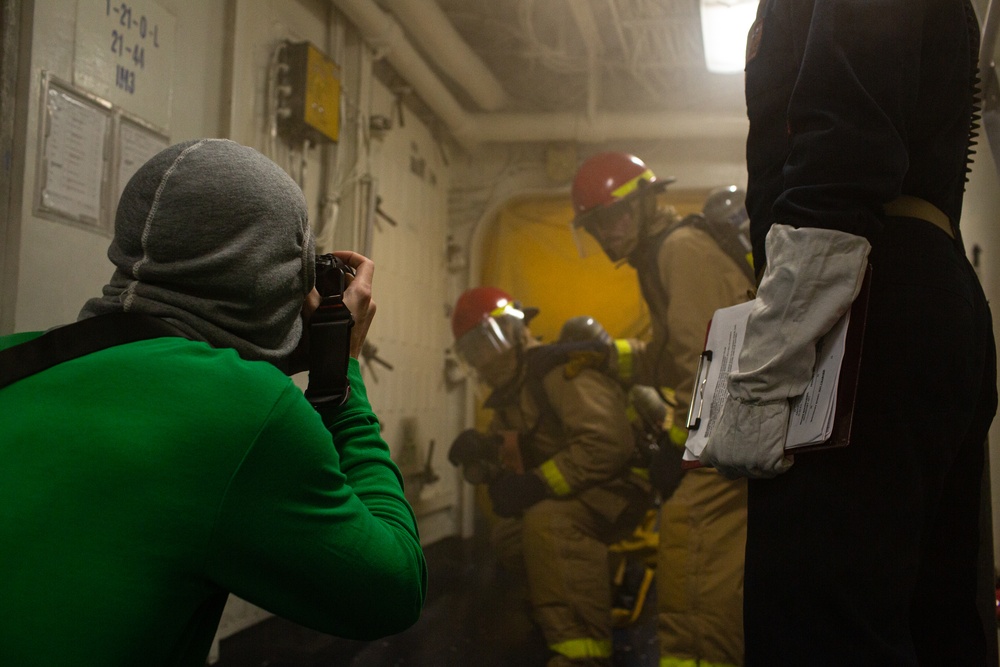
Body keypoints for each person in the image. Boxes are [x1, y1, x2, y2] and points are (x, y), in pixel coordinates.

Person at [0, 139, 427, 666]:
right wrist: (341, 369)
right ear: (273, 277)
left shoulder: (14, 359)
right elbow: (394, 590)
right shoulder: (250, 412)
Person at [698, 2, 997, 665]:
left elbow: (845, 134)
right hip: (910, 283)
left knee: (820, 626)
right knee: (935, 616)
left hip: (862, 298)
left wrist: (773, 357)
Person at [570, 152, 755, 667]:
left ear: (648, 202)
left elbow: (708, 364)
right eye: (597, 225)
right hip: (728, 432)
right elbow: (670, 353)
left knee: (692, 558)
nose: (610, 234)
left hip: (723, 437)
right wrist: (610, 357)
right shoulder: (663, 254)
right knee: (692, 559)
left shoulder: (679, 251)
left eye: (615, 216)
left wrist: (676, 445)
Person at [447, 287, 652, 667]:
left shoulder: (558, 371)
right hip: (587, 485)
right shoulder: (513, 389)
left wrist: (537, 485)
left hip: (621, 486)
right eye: (472, 351)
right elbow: (525, 446)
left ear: (511, 331)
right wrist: (486, 449)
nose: (482, 359)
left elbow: (607, 445)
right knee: (509, 535)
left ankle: (582, 651)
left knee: (549, 523)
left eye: (484, 344)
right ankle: (567, 610)